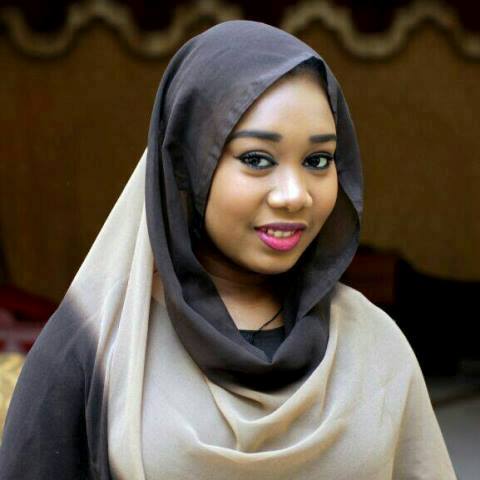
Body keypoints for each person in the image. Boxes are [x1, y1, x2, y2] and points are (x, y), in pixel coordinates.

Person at [0, 20, 456, 479]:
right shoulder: (98, 346)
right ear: (187, 165)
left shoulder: (373, 343)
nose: (294, 195)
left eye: (318, 160)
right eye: (256, 159)